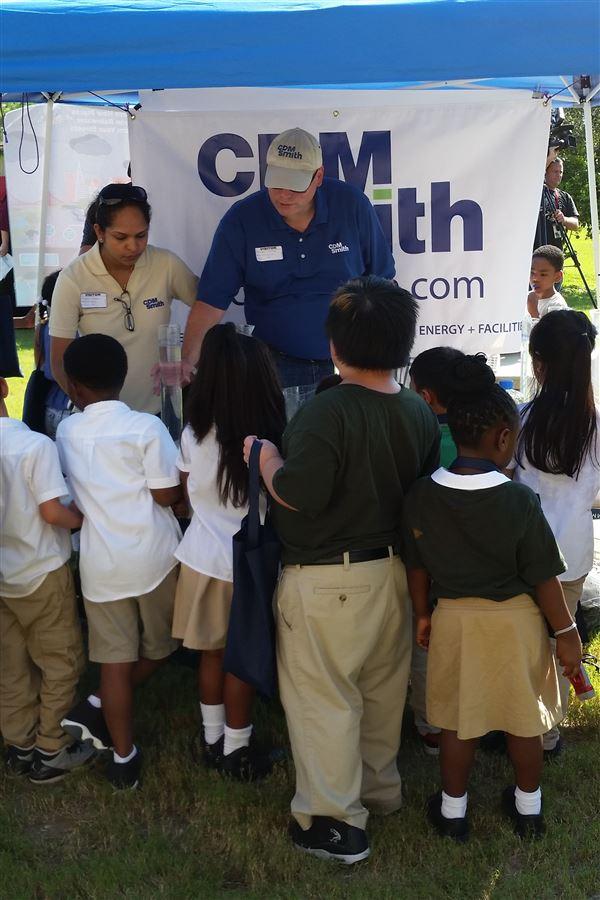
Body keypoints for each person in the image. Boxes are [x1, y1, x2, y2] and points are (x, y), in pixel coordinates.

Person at [244, 276, 440, 864]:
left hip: (325, 578)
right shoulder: (417, 411)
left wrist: (264, 455)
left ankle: (335, 823)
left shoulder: (326, 412)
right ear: (403, 346)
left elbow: (298, 492)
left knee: (324, 700)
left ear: (334, 345)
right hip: (392, 575)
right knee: (380, 693)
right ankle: (379, 792)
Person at [402, 354, 582, 842]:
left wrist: (422, 614)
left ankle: (453, 812)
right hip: (518, 621)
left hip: (454, 617)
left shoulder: (421, 494)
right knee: (524, 719)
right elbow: (544, 576)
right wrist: (566, 633)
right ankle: (528, 810)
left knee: (459, 722)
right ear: (504, 438)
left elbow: (416, 564)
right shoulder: (518, 500)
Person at [56, 335, 182, 790]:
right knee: (163, 647)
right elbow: (167, 494)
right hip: (153, 558)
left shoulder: (67, 431)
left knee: (113, 663)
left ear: (73, 387)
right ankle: (93, 706)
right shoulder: (147, 428)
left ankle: (123, 756)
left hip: (100, 565)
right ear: (124, 376)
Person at [182, 128, 395, 389]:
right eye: (276, 182)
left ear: (318, 177)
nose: (284, 195)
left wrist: (383, 358)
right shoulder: (242, 220)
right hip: (274, 364)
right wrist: (187, 366)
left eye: (294, 185)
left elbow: (383, 284)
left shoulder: (352, 205)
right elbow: (211, 302)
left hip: (353, 362)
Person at [172, 323, 286, 780]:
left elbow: (185, 494)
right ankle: (237, 749)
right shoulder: (267, 439)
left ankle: (212, 737)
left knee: (212, 656)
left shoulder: (191, 435)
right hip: (248, 565)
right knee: (242, 659)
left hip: (201, 560)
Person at [511, 310, 599, 755]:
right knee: (560, 636)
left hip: (522, 555)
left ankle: (522, 722)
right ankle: (547, 732)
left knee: (527, 641)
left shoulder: (520, 419)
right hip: (572, 555)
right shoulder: (595, 424)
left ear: (539, 365)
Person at [0, 377, 94, 784]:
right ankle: (53, 746)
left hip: (4, 576)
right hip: (41, 569)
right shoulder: (33, 445)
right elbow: (53, 512)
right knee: (61, 659)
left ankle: (19, 741)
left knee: (11, 663)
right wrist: (87, 521)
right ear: (4, 388)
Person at [49, 183, 198, 415]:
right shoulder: (73, 279)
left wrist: (190, 360)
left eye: (141, 235)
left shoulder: (166, 264)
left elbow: (206, 306)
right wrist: (94, 413)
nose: (133, 246)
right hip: (100, 419)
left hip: (159, 413)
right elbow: (59, 361)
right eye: (120, 237)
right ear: (99, 232)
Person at [407, 346, 465, 756]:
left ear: (425, 396)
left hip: (424, 561)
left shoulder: (416, 434)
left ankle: (430, 727)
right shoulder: (477, 432)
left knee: (424, 640)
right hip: (473, 560)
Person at [33, 271, 72, 439]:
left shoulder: (44, 326)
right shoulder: (71, 330)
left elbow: (41, 365)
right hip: (69, 409)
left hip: (50, 407)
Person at [534, 158, 579, 258]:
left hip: (556, 251)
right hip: (536, 250)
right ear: (545, 172)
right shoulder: (535, 194)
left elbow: (576, 224)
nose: (559, 175)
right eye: (555, 171)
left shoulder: (565, 196)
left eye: (561, 172)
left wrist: (564, 219)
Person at [526, 245, 569, 319]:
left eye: (543, 274)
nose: (535, 279)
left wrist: (533, 313)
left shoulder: (557, 306)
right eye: (532, 273)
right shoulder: (526, 298)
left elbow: (549, 330)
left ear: (557, 277)